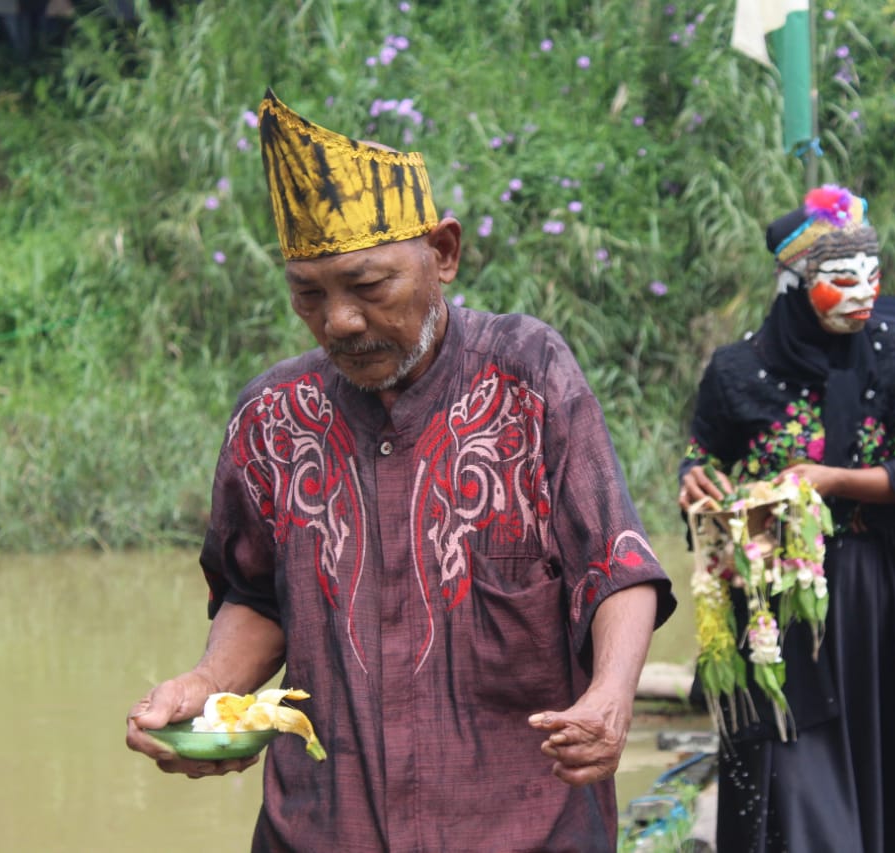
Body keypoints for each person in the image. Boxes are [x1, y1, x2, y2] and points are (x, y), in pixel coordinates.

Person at [126, 89, 676, 852]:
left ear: (443, 253)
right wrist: (211, 685)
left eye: (369, 286)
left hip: (520, 829)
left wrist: (611, 696)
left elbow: (614, 567)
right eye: (308, 295)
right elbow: (257, 593)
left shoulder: (529, 378)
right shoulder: (270, 419)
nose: (340, 321)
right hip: (321, 829)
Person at [677, 185, 895, 852]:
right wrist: (694, 484)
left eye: (872, 275)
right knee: (787, 756)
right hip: (766, 596)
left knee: (869, 749)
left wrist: (831, 479)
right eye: (843, 279)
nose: (865, 292)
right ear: (794, 281)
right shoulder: (735, 370)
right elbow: (702, 455)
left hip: (865, 588)